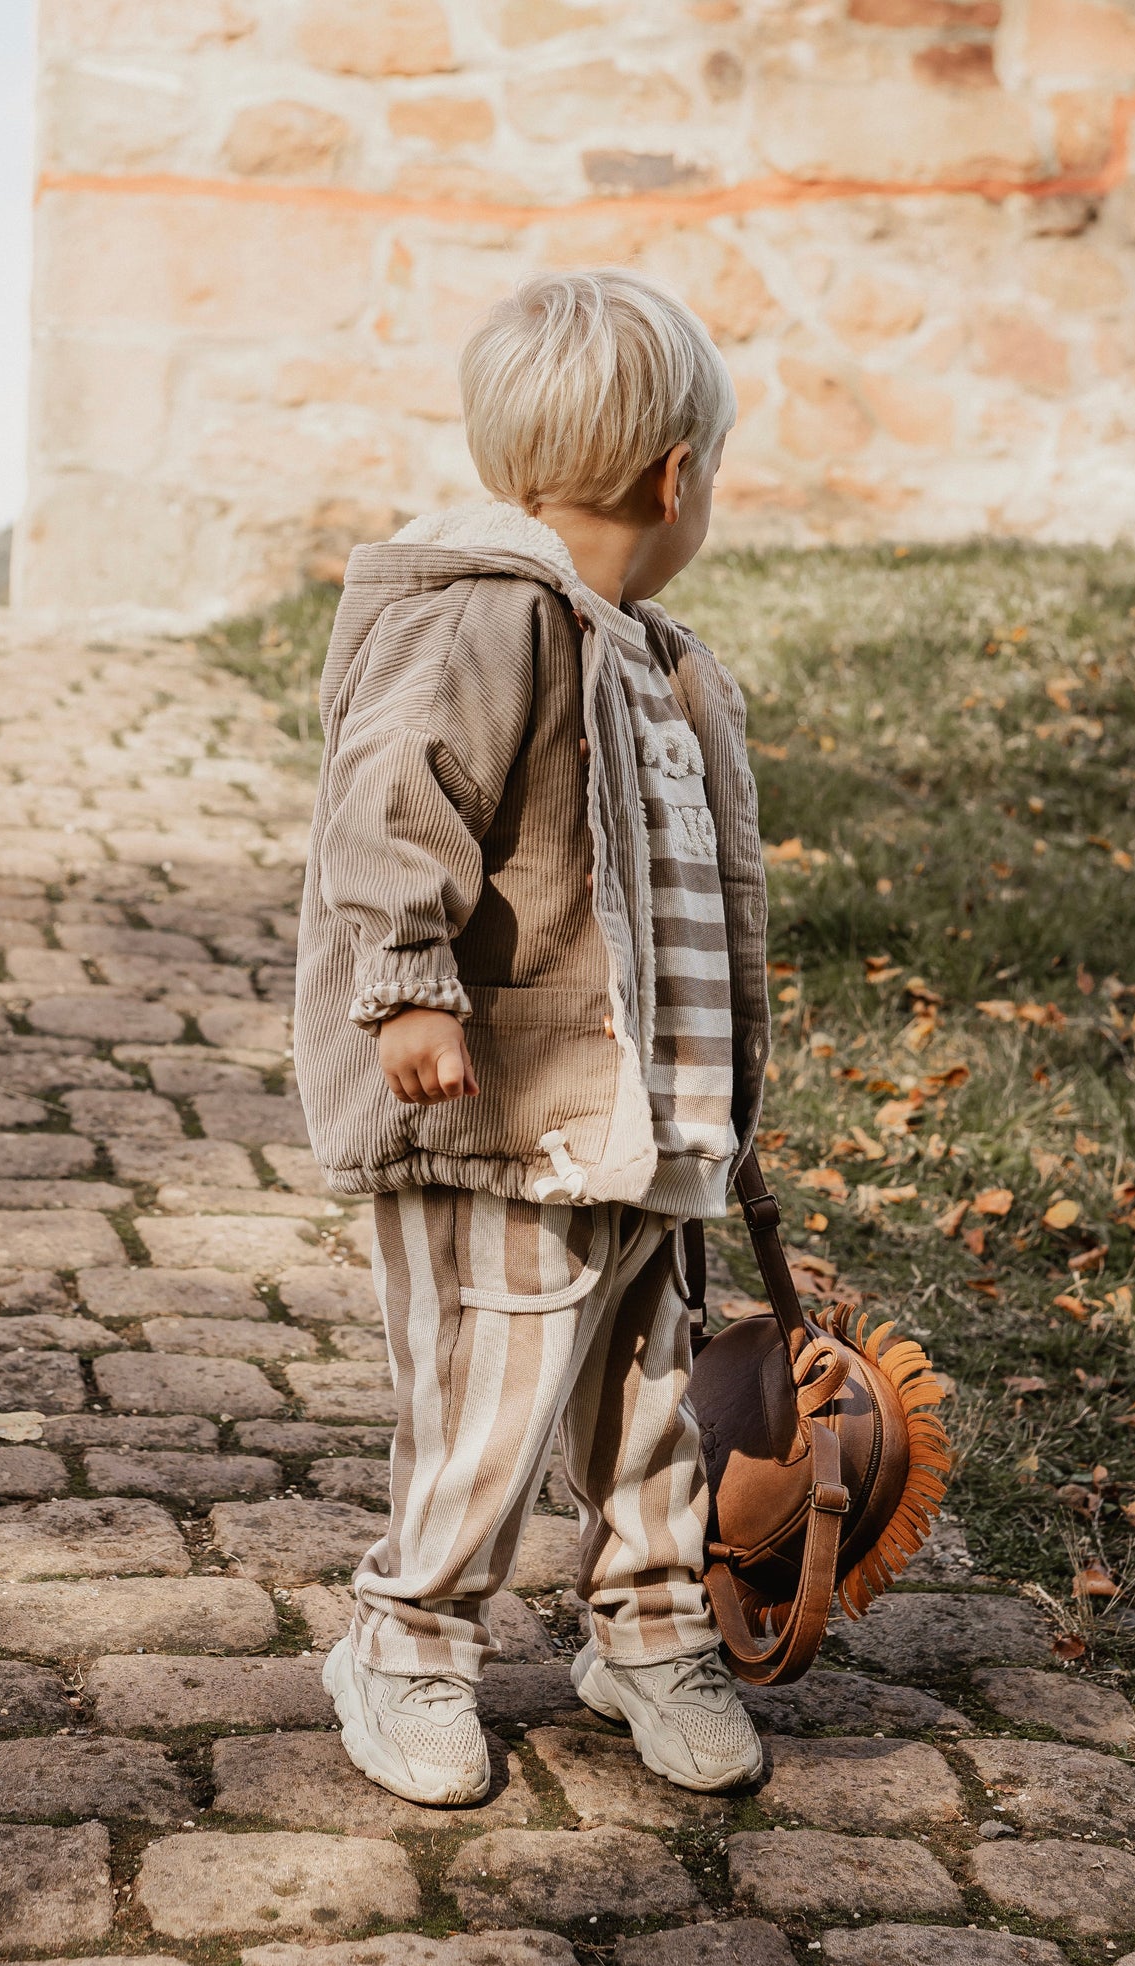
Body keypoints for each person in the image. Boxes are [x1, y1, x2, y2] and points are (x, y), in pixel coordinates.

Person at [293, 269, 770, 1807]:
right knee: (489, 1394)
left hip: (638, 1111)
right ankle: (406, 1638)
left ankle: (643, 1627)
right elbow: (390, 799)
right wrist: (409, 982)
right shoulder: (485, 615)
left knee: (651, 1393)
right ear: (678, 474)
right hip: (500, 1105)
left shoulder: (658, 652)